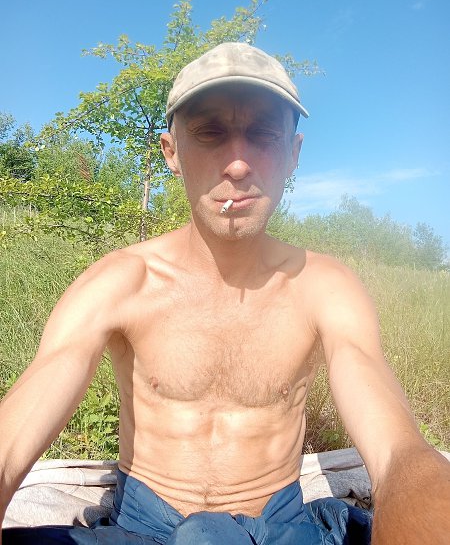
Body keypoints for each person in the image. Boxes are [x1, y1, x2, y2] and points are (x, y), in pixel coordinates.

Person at [0, 42, 449, 545]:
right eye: (210, 132)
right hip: (142, 528)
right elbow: (20, 424)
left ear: (293, 154)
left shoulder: (324, 286)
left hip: (280, 530)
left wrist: (418, 493)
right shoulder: (121, 281)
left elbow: (398, 452)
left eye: (263, 133)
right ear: (172, 151)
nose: (237, 165)